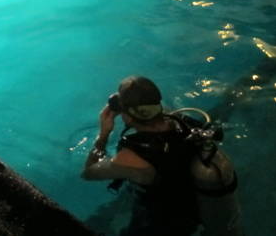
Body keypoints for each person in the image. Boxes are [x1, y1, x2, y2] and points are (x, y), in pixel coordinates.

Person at [82, 76, 200, 236]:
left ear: (129, 116)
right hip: (193, 208)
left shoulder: (131, 157)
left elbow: (88, 173)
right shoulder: (181, 123)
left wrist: (103, 134)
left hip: (161, 224)